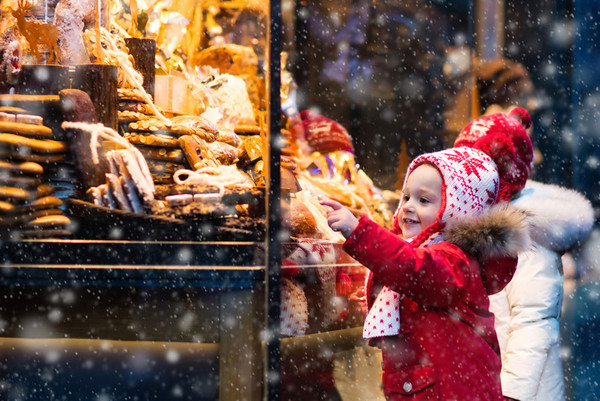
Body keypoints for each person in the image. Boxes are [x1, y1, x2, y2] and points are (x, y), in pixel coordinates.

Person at [321, 108, 532, 400]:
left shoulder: (454, 260)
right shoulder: (421, 253)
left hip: (451, 392)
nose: (407, 206)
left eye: (424, 200)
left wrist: (360, 232)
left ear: (456, 209)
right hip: (424, 387)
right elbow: (401, 273)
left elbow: (411, 269)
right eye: (406, 196)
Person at [454, 109, 595, 401]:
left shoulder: (524, 238)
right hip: (483, 384)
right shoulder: (477, 229)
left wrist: (510, 395)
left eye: (467, 167)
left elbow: (534, 326)